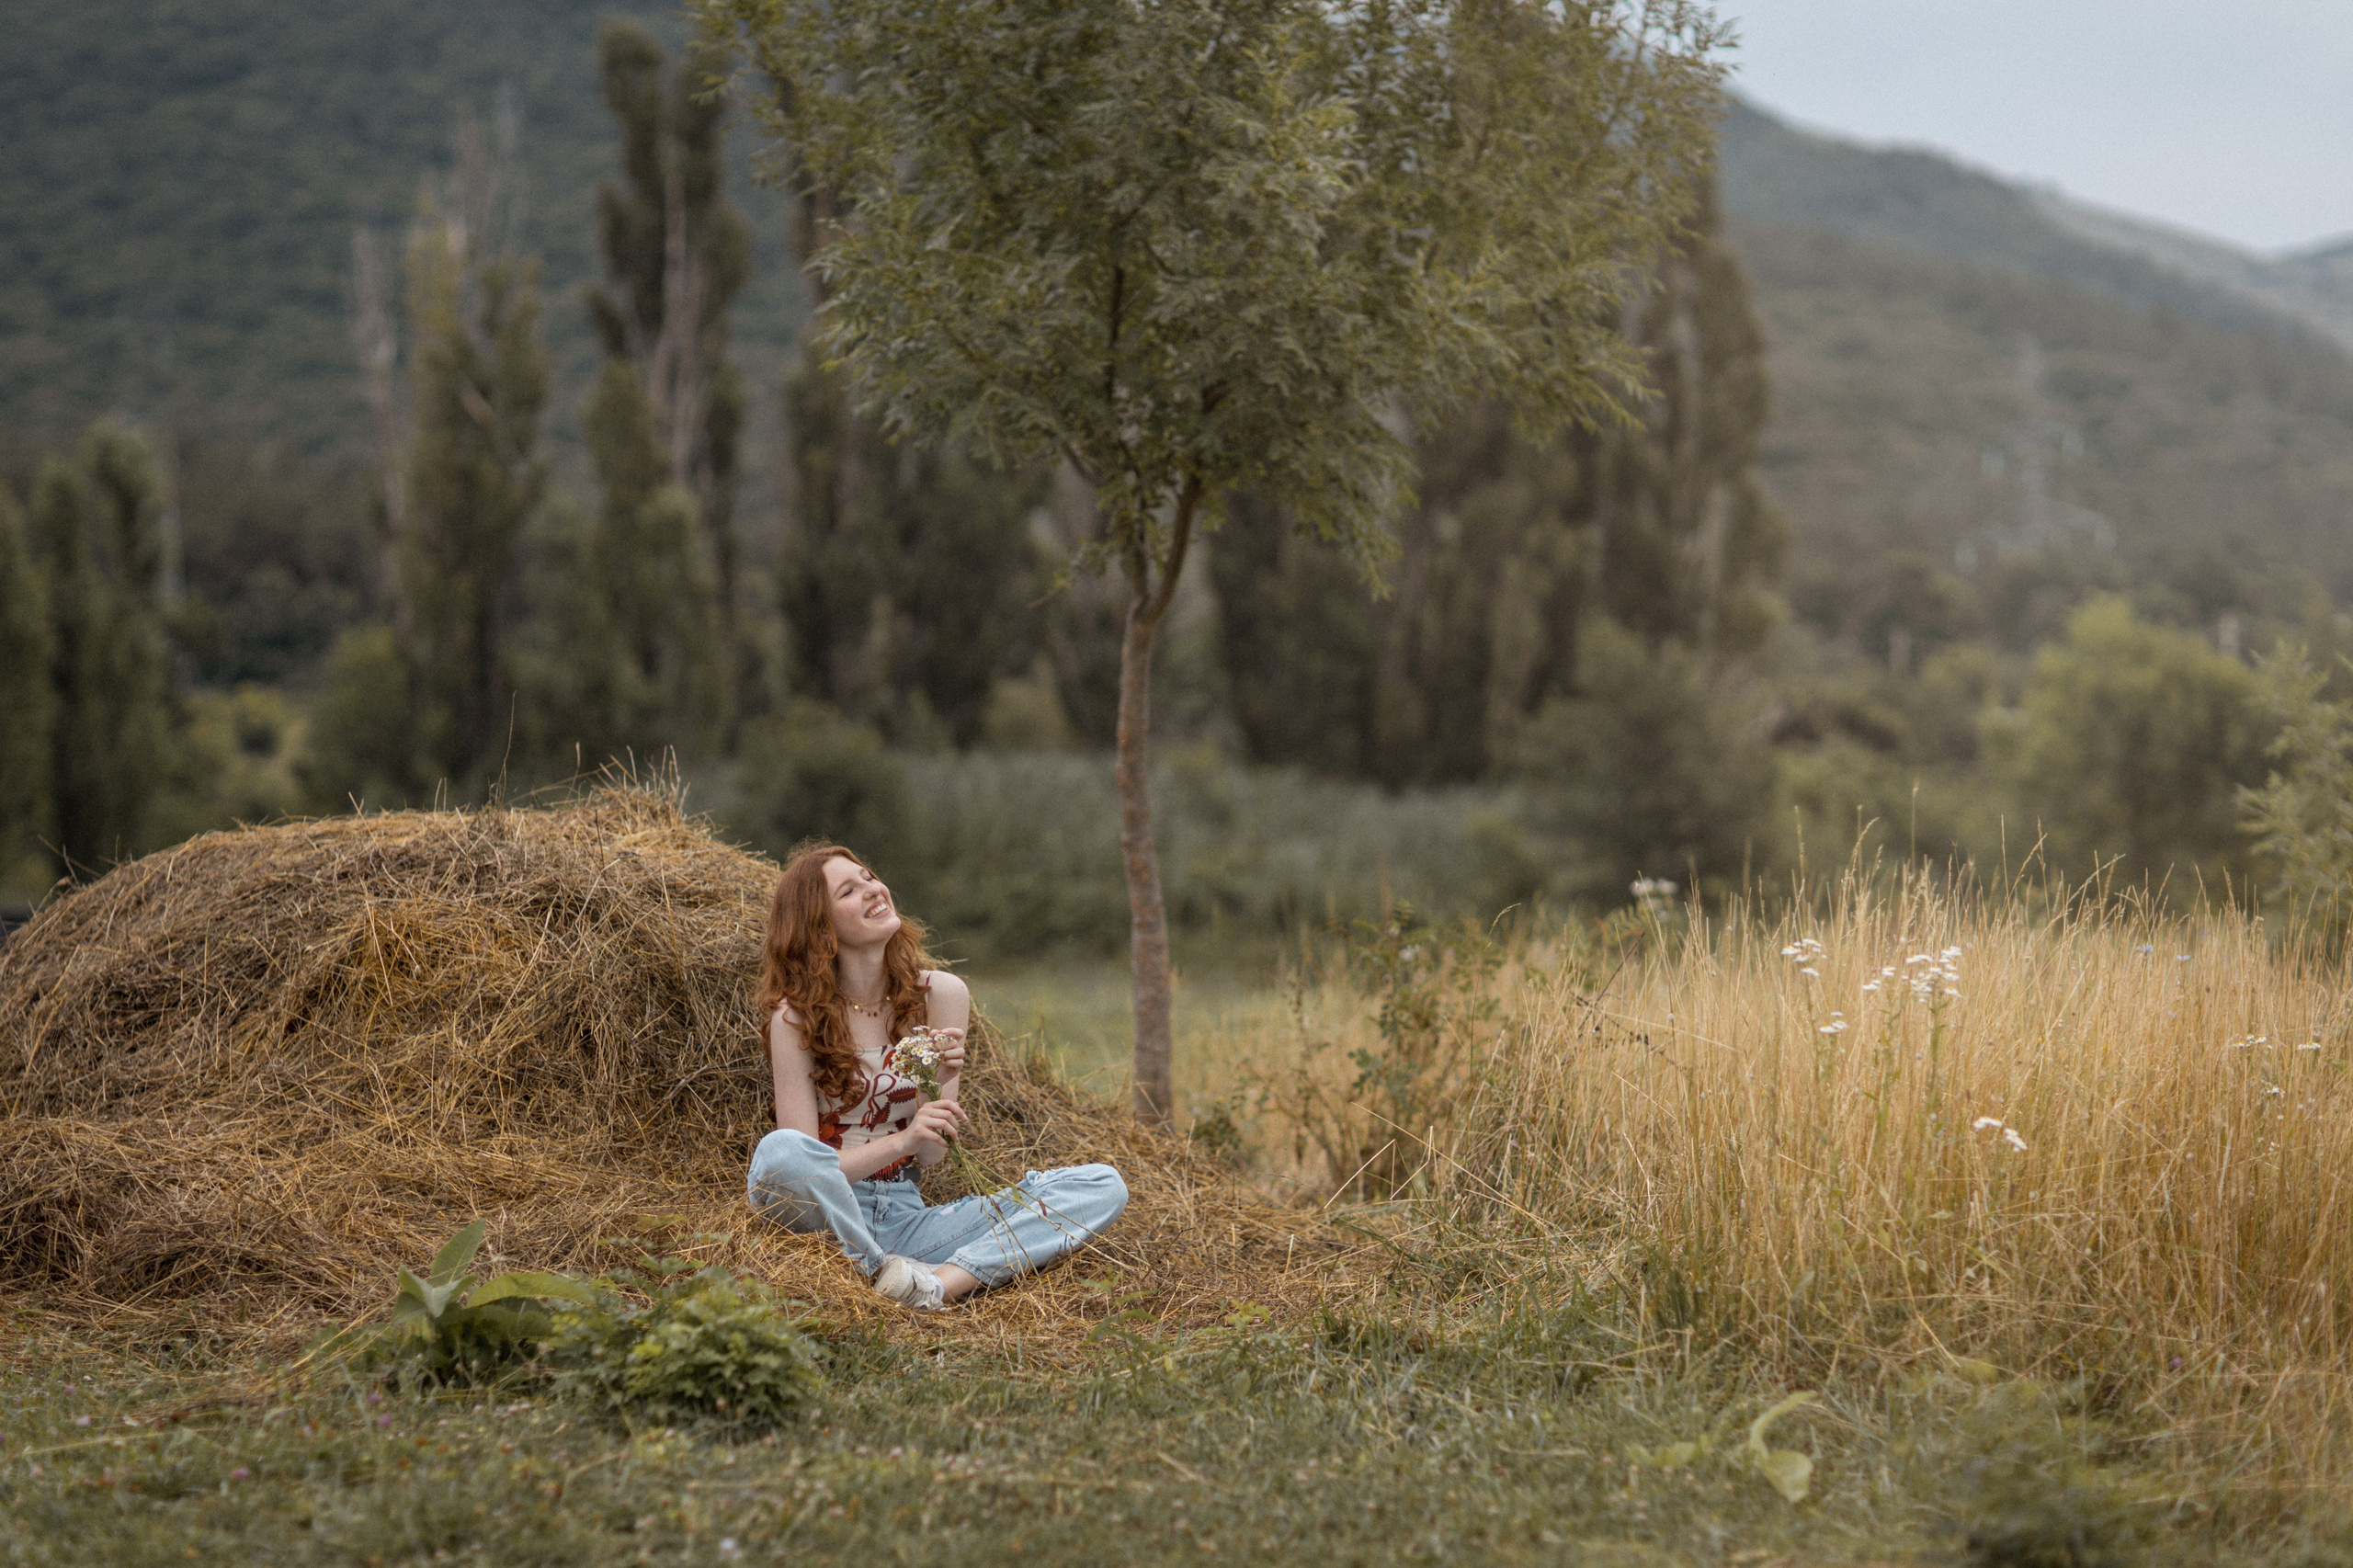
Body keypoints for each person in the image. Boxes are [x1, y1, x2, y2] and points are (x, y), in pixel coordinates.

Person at [745, 843, 1129, 1310]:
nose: (874, 889)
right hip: (828, 1218)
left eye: (869, 877)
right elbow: (805, 1162)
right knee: (779, 1152)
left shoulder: (940, 994)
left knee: (1102, 1185)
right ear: (820, 929)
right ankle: (878, 1270)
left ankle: (935, 1286)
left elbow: (930, 1158)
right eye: (849, 890)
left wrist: (933, 1087)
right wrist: (899, 1143)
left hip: (907, 1222)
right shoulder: (794, 1021)